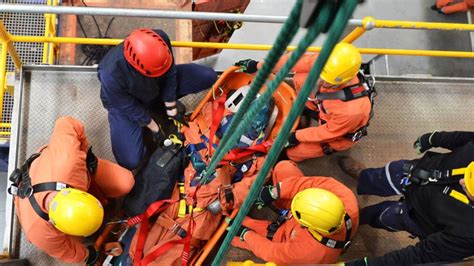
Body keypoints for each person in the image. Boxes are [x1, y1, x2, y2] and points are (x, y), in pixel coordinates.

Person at [9, 116, 134, 264]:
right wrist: (87, 255)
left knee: (126, 182)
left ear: (81, 193)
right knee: (75, 242)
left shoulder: (68, 161)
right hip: (38, 190)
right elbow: (65, 251)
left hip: (61, 166)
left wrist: (87, 156)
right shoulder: (39, 232)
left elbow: (67, 122)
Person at [339, 131, 474, 265]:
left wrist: (368, 264)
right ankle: (364, 177)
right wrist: (434, 139)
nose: (461, 181)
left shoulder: (469, 235)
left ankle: (357, 218)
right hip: (416, 171)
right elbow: (464, 139)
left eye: (469, 187)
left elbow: (419, 255)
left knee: (385, 216)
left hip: (417, 216)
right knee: (382, 176)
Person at [98, 28, 217, 169]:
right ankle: (153, 110)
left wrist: (171, 105)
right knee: (129, 161)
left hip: (157, 87)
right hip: (128, 104)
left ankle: (158, 106)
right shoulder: (110, 74)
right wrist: (156, 129)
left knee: (207, 76)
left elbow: (170, 73)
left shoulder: (161, 39)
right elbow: (129, 107)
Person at [235, 43, 372, 162]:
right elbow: (293, 61)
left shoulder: (352, 111)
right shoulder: (329, 63)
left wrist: (295, 136)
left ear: (344, 81)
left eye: (326, 82)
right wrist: (259, 66)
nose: (320, 82)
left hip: (336, 134)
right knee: (301, 77)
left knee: (292, 153)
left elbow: (328, 132)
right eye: (319, 76)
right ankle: (308, 108)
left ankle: (292, 153)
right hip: (325, 108)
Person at [231, 160, 359, 264]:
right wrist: (274, 192)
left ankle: (242, 232)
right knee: (284, 167)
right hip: (299, 221)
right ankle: (280, 202)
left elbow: (272, 252)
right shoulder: (346, 198)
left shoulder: (309, 253)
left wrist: (246, 234)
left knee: (233, 233)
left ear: (307, 225)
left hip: (288, 235)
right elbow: (310, 183)